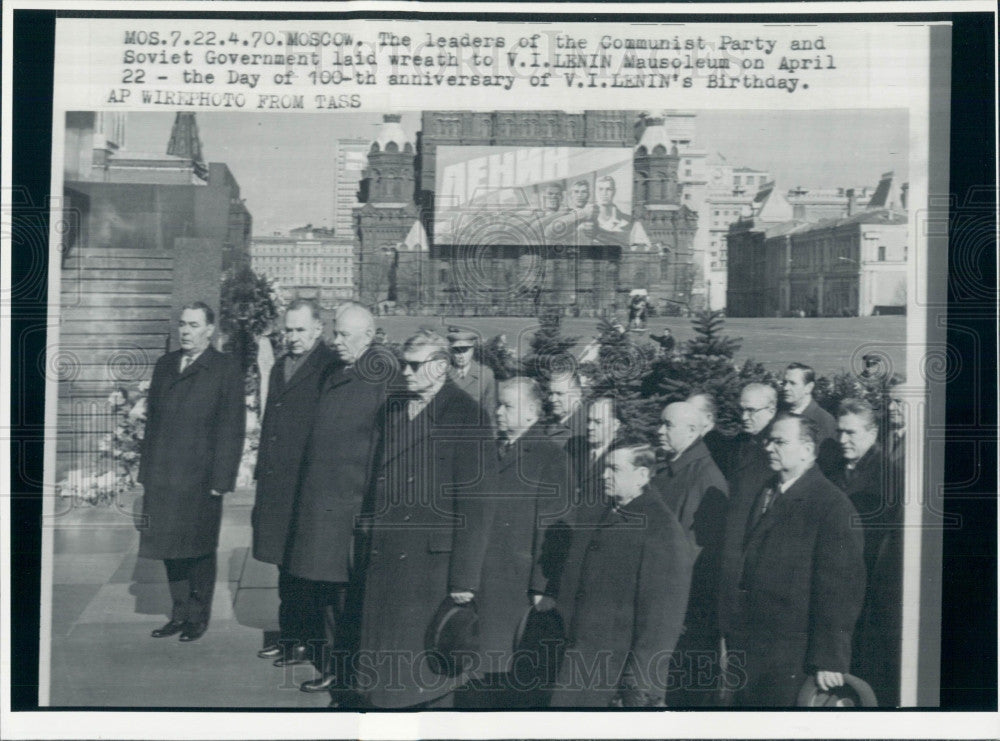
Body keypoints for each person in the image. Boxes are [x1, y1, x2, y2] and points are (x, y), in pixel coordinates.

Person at [354, 330, 496, 709]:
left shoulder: (468, 416)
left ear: (441, 367)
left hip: (431, 565)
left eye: (416, 366)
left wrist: (464, 580)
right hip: (387, 550)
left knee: (422, 670)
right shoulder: (395, 406)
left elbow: (477, 506)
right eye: (404, 364)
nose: (406, 373)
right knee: (385, 662)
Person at [279, 302, 392, 695]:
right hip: (323, 502)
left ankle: (342, 672)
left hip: (348, 506)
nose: (336, 340)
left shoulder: (381, 376)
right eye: (335, 333)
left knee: (342, 598)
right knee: (324, 592)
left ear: (368, 336)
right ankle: (330, 662)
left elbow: (382, 448)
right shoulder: (339, 370)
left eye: (345, 334)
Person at [717, 414, 866, 707]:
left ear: (808, 450)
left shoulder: (831, 506)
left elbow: (841, 590)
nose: (769, 448)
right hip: (752, 649)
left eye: (780, 442)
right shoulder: (767, 490)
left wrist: (830, 659)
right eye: (769, 440)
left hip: (793, 658)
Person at [549, 444, 695, 707]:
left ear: (641, 475)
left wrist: (638, 682)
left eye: (614, 469)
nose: (605, 475)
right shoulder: (609, 510)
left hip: (615, 671)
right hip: (582, 657)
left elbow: (662, 618)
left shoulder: (661, 528)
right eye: (605, 467)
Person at [138, 302, 246, 642]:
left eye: (194, 325)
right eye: (182, 324)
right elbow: (152, 423)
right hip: (164, 476)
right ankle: (179, 612)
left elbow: (232, 428)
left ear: (209, 330)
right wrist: (146, 473)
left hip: (200, 479)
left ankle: (198, 617)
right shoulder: (165, 365)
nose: (185, 331)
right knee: (170, 547)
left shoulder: (224, 368)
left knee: (198, 549)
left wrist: (221, 479)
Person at [471, 377, 572, 708]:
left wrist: (542, 587)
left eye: (507, 406)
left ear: (531, 411)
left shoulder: (550, 457)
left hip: (516, 587)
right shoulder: (492, 450)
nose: (498, 411)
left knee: (506, 673)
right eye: (498, 404)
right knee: (482, 670)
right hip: (486, 580)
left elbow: (555, 527)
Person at [251, 300, 337, 664]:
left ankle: (307, 640)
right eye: (288, 329)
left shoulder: (329, 366)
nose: (293, 337)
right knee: (283, 566)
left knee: (305, 568)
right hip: (277, 484)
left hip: (306, 483)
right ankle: (288, 634)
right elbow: (270, 419)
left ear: (318, 329)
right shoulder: (280, 366)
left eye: (301, 330)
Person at [652, 402, 729, 706]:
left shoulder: (705, 478)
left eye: (668, 425)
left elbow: (694, 556)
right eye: (661, 423)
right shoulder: (671, 469)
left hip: (683, 613)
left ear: (693, 431)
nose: (659, 430)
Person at [830, 398, 903, 706]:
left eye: (851, 433)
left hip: (867, 593)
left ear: (872, 432)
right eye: (840, 432)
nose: (843, 440)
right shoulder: (834, 472)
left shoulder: (888, 477)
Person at [780, 362, 838, 466]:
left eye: (792, 383)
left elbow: (829, 464)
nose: (785, 388)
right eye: (784, 383)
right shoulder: (780, 415)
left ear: (809, 387)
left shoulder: (824, 421)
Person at [447, 329, 497, 430]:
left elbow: (490, 410)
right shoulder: (443, 374)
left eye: (465, 350)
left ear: (472, 350)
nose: (461, 355)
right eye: (457, 351)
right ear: (451, 351)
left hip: (473, 431)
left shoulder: (485, 375)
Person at [686, 391, 734, 476]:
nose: (685, 418)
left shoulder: (715, 447)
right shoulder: (703, 443)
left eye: (691, 413)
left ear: (708, 418)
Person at [578, 175, 632, 248]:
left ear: (614, 191)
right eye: (600, 189)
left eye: (608, 189)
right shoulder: (583, 221)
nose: (604, 193)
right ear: (595, 192)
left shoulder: (629, 221)